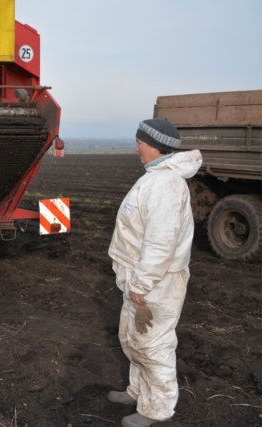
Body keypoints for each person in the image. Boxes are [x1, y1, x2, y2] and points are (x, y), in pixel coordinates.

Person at [107, 119, 202, 427]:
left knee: (153, 344)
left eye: (140, 142)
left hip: (156, 283)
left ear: (155, 144)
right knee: (135, 338)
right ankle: (138, 392)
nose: (136, 147)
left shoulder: (166, 185)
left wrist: (141, 285)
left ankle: (156, 409)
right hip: (140, 278)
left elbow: (160, 244)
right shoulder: (155, 177)